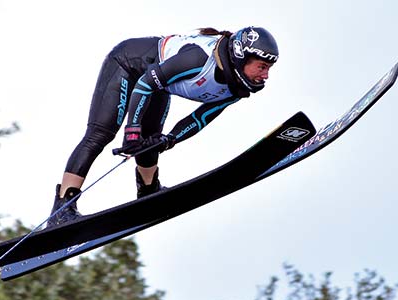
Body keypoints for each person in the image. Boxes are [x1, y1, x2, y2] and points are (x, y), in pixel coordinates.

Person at [47, 26, 278, 226]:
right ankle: (63, 207)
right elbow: (146, 83)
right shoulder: (198, 59)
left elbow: (200, 118)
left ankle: (148, 193)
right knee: (101, 133)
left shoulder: (235, 88)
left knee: (152, 141)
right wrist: (131, 130)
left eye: (268, 68)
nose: (266, 75)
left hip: (157, 85)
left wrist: (171, 139)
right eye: (262, 67)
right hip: (128, 65)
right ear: (241, 56)